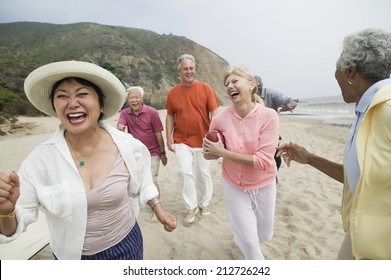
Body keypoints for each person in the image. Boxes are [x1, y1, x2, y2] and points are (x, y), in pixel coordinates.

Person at [0, 61, 176, 260]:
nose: (72, 103)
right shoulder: (39, 161)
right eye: (62, 96)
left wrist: (157, 207)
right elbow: (13, 226)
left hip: (128, 244)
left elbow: (144, 181)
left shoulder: (128, 146)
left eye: (82, 94)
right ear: (55, 107)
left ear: (101, 104)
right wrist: (6, 212)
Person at [276, 28, 391, 260]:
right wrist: (309, 158)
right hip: (359, 235)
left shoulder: (386, 111)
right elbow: (360, 181)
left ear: (350, 70)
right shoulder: (364, 111)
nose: (335, 76)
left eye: (336, 69)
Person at [203, 65, 279, 259]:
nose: (229, 86)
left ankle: (243, 234)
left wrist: (223, 152)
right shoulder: (220, 119)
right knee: (251, 242)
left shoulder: (269, 116)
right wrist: (213, 151)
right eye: (226, 83)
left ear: (251, 85)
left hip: (264, 184)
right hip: (234, 185)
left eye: (235, 81)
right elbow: (208, 154)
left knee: (264, 234)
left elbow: (263, 161)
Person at [166, 54, 219, 224]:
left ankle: (204, 203)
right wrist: (169, 137)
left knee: (203, 173)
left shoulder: (205, 88)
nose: (189, 71)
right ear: (179, 71)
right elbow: (169, 116)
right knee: (184, 172)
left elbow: (214, 112)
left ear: (194, 69)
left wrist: (214, 134)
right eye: (185, 69)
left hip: (203, 141)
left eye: (191, 68)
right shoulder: (173, 93)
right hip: (181, 139)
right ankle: (191, 206)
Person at [117, 86, 168, 196]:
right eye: (131, 97)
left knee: (152, 179)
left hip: (153, 152)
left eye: (137, 97)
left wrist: (162, 153)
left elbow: (158, 134)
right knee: (138, 179)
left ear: (142, 98)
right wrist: (120, 128)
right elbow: (121, 126)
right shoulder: (125, 113)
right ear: (128, 100)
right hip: (136, 153)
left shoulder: (152, 113)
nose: (134, 100)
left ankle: (156, 208)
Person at [254, 76, 298, 171]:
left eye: (255, 87)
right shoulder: (248, 94)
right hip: (254, 133)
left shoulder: (270, 94)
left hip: (270, 133)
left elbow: (292, 101)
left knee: (275, 159)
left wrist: (289, 106)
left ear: (260, 86)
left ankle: (273, 178)